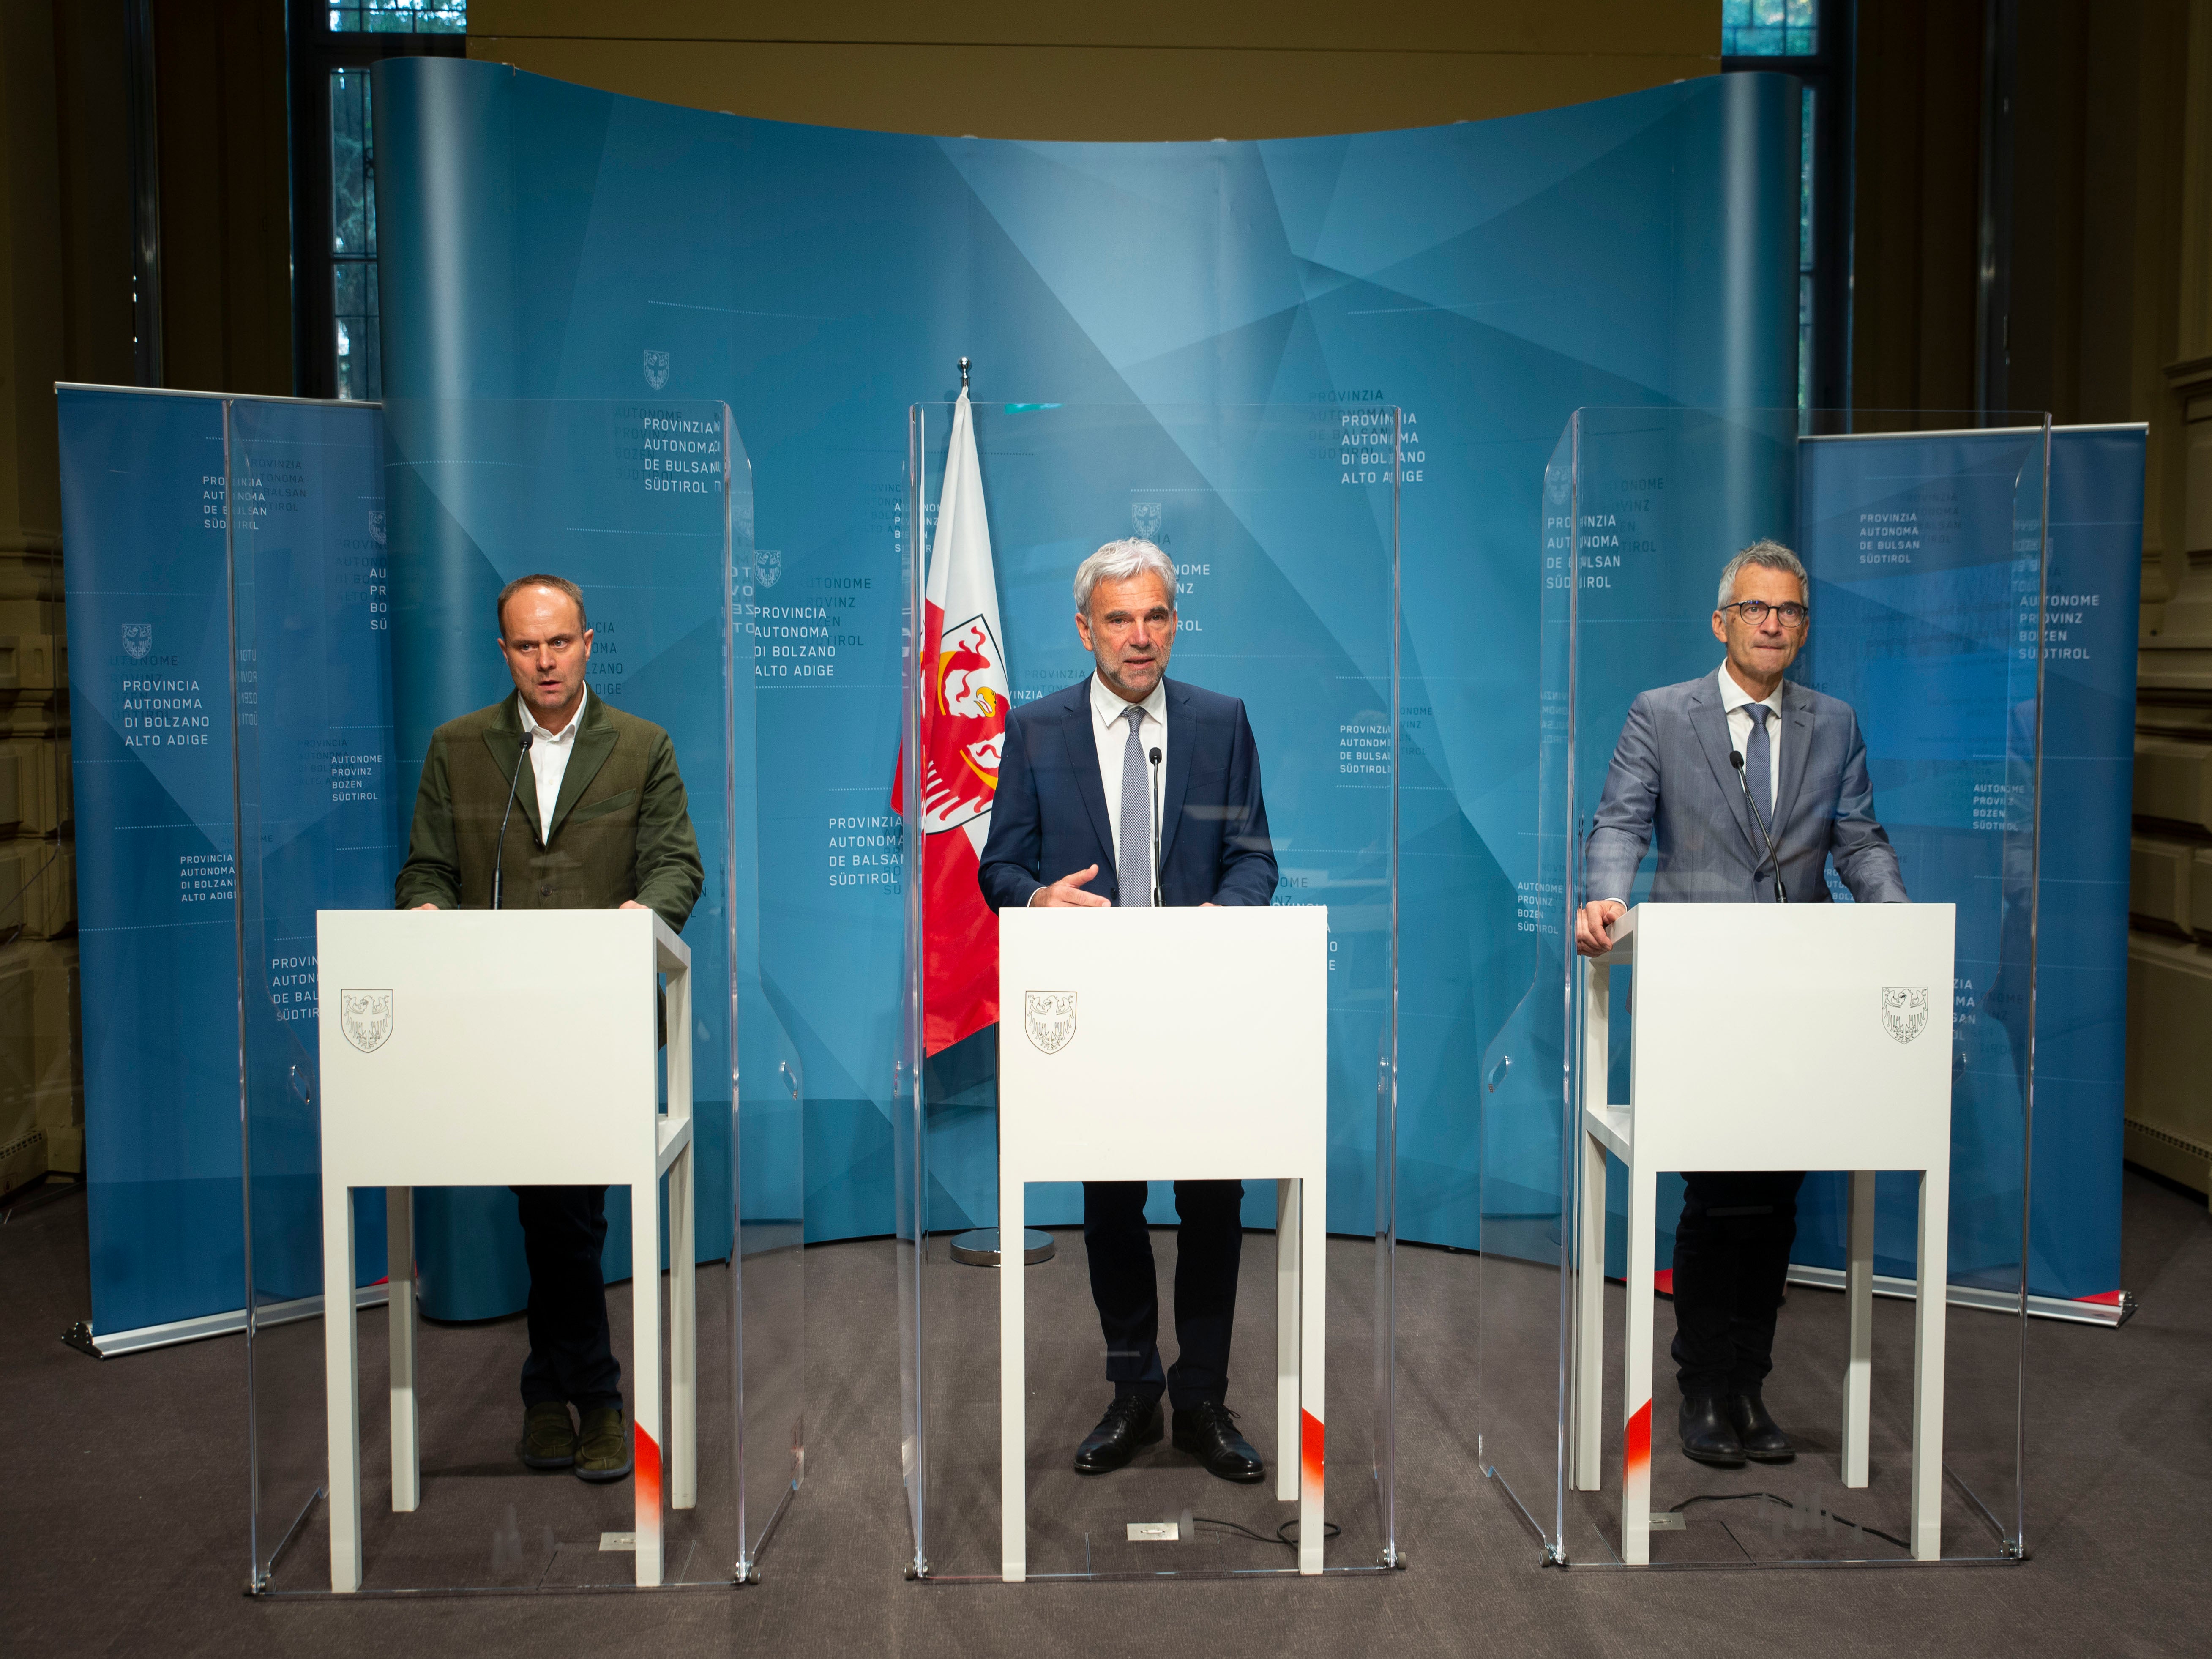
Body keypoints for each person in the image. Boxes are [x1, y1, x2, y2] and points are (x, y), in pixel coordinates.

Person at [1575, 539, 1906, 1470]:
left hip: (1800, 1000)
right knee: (1716, 1191)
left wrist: (1896, 916)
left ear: (1803, 626)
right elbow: (1619, 819)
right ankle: (1700, 1386)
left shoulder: (1833, 723)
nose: (1773, 624)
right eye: (1757, 609)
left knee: (1777, 1197)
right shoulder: (1662, 714)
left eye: (1790, 611)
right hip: (1698, 990)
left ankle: (1750, 1384)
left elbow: (1859, 839)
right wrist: (1605, 894)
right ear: (1722, 621)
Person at [978, 537, 1278, 1484]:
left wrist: (1216, 918)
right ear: (1085, 629)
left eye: (1154, 616)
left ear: (1174, 622)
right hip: (1093, 1015)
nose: (1138, 637)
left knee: (1213, 1204)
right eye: (1119, 618)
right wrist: (1037, 900)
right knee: (1110, 1206)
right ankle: (1131, 1390)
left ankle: (1200, 1400)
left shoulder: (1222, 722)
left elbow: (1255, 860)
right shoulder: (1037, 730)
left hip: (1199, 1009)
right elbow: (998, 867)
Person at [395, 573, 703, 1483]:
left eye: (559, 642)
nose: (545, 661)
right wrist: (423, 911)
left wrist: (638, 917)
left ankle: (578, 1395)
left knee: (562, 1206)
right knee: (557, 1208)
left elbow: (677, 866)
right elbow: (426, 866)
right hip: (493, 1018)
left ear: (587, 642)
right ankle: (574, 1391)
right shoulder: (458, 749)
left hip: (599, 1012)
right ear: (504, 653)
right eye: (527, 646)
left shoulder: (643, 748)